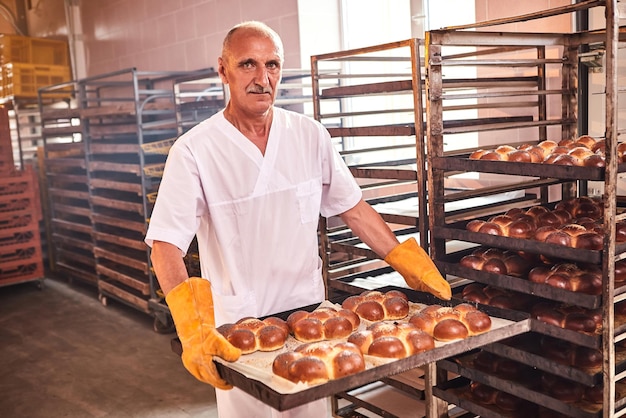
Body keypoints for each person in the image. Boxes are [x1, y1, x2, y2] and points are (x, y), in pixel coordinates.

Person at [145, 20, 451, 418]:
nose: (262, 78)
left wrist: (405, 260)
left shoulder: (309, 135)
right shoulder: (195, 151)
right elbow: (166, 246)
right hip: (241, 330)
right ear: (223, 70)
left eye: (272, 65)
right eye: (247, 65)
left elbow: (354, 209)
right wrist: (190, 324)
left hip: (311, 321)